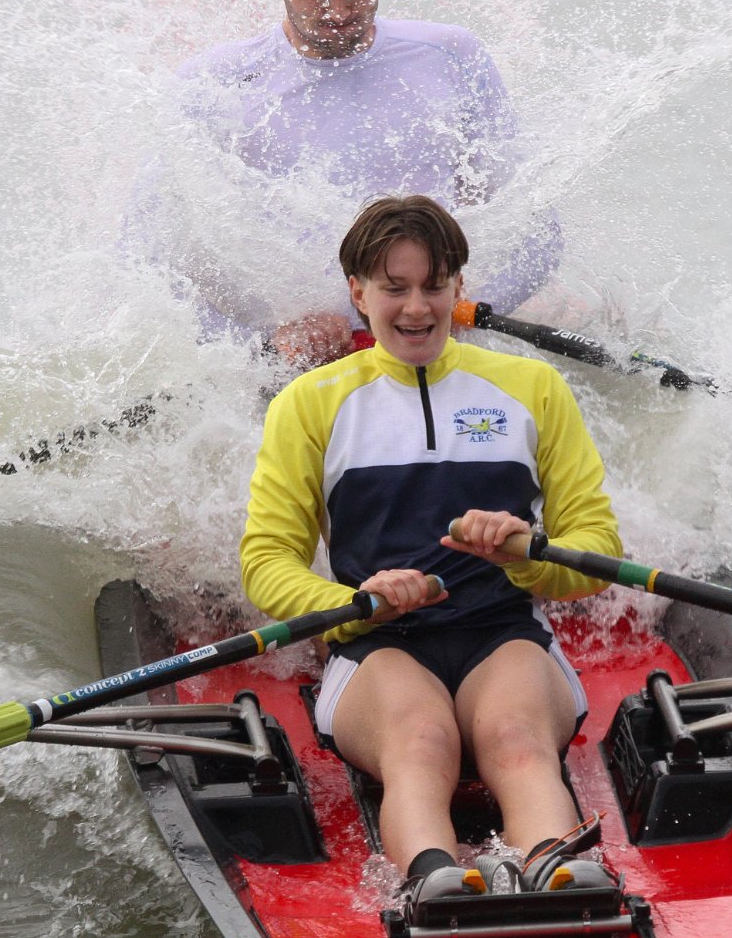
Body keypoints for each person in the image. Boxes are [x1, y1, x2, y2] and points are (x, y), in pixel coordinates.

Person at [239, 194, 621, 904]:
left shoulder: (534, 388)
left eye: (433, 286)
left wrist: (525, 553)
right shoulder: (309, 403)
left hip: (504, 634)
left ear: (459, 288)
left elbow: (596, 547)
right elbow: (267, 564)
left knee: (515, 738)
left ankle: (560, 875)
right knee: (419, 741)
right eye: (394, 288)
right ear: (357, 291)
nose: (417, 308)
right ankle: (434, 886)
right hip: (377, 648)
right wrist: (356, 603)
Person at [126, 0, 560, 367]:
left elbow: (539, 232)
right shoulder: (216, 84)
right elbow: (145, 257)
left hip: (437, 347)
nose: (339, 9)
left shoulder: (453, 56)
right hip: (297, 367)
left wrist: (456, 314)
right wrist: (266, 346)